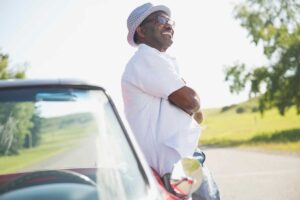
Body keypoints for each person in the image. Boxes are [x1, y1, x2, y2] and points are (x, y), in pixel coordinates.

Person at [122, 2, 220, 200]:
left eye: (170, 21)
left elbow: (196, 114)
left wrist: (189, 103)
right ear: (140, 30)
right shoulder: (146, 58)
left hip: (184, 162)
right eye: (160, 20)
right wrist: (190, 100)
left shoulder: (160, 63)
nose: (169, 25)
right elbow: (191, 102)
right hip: (176, 166)